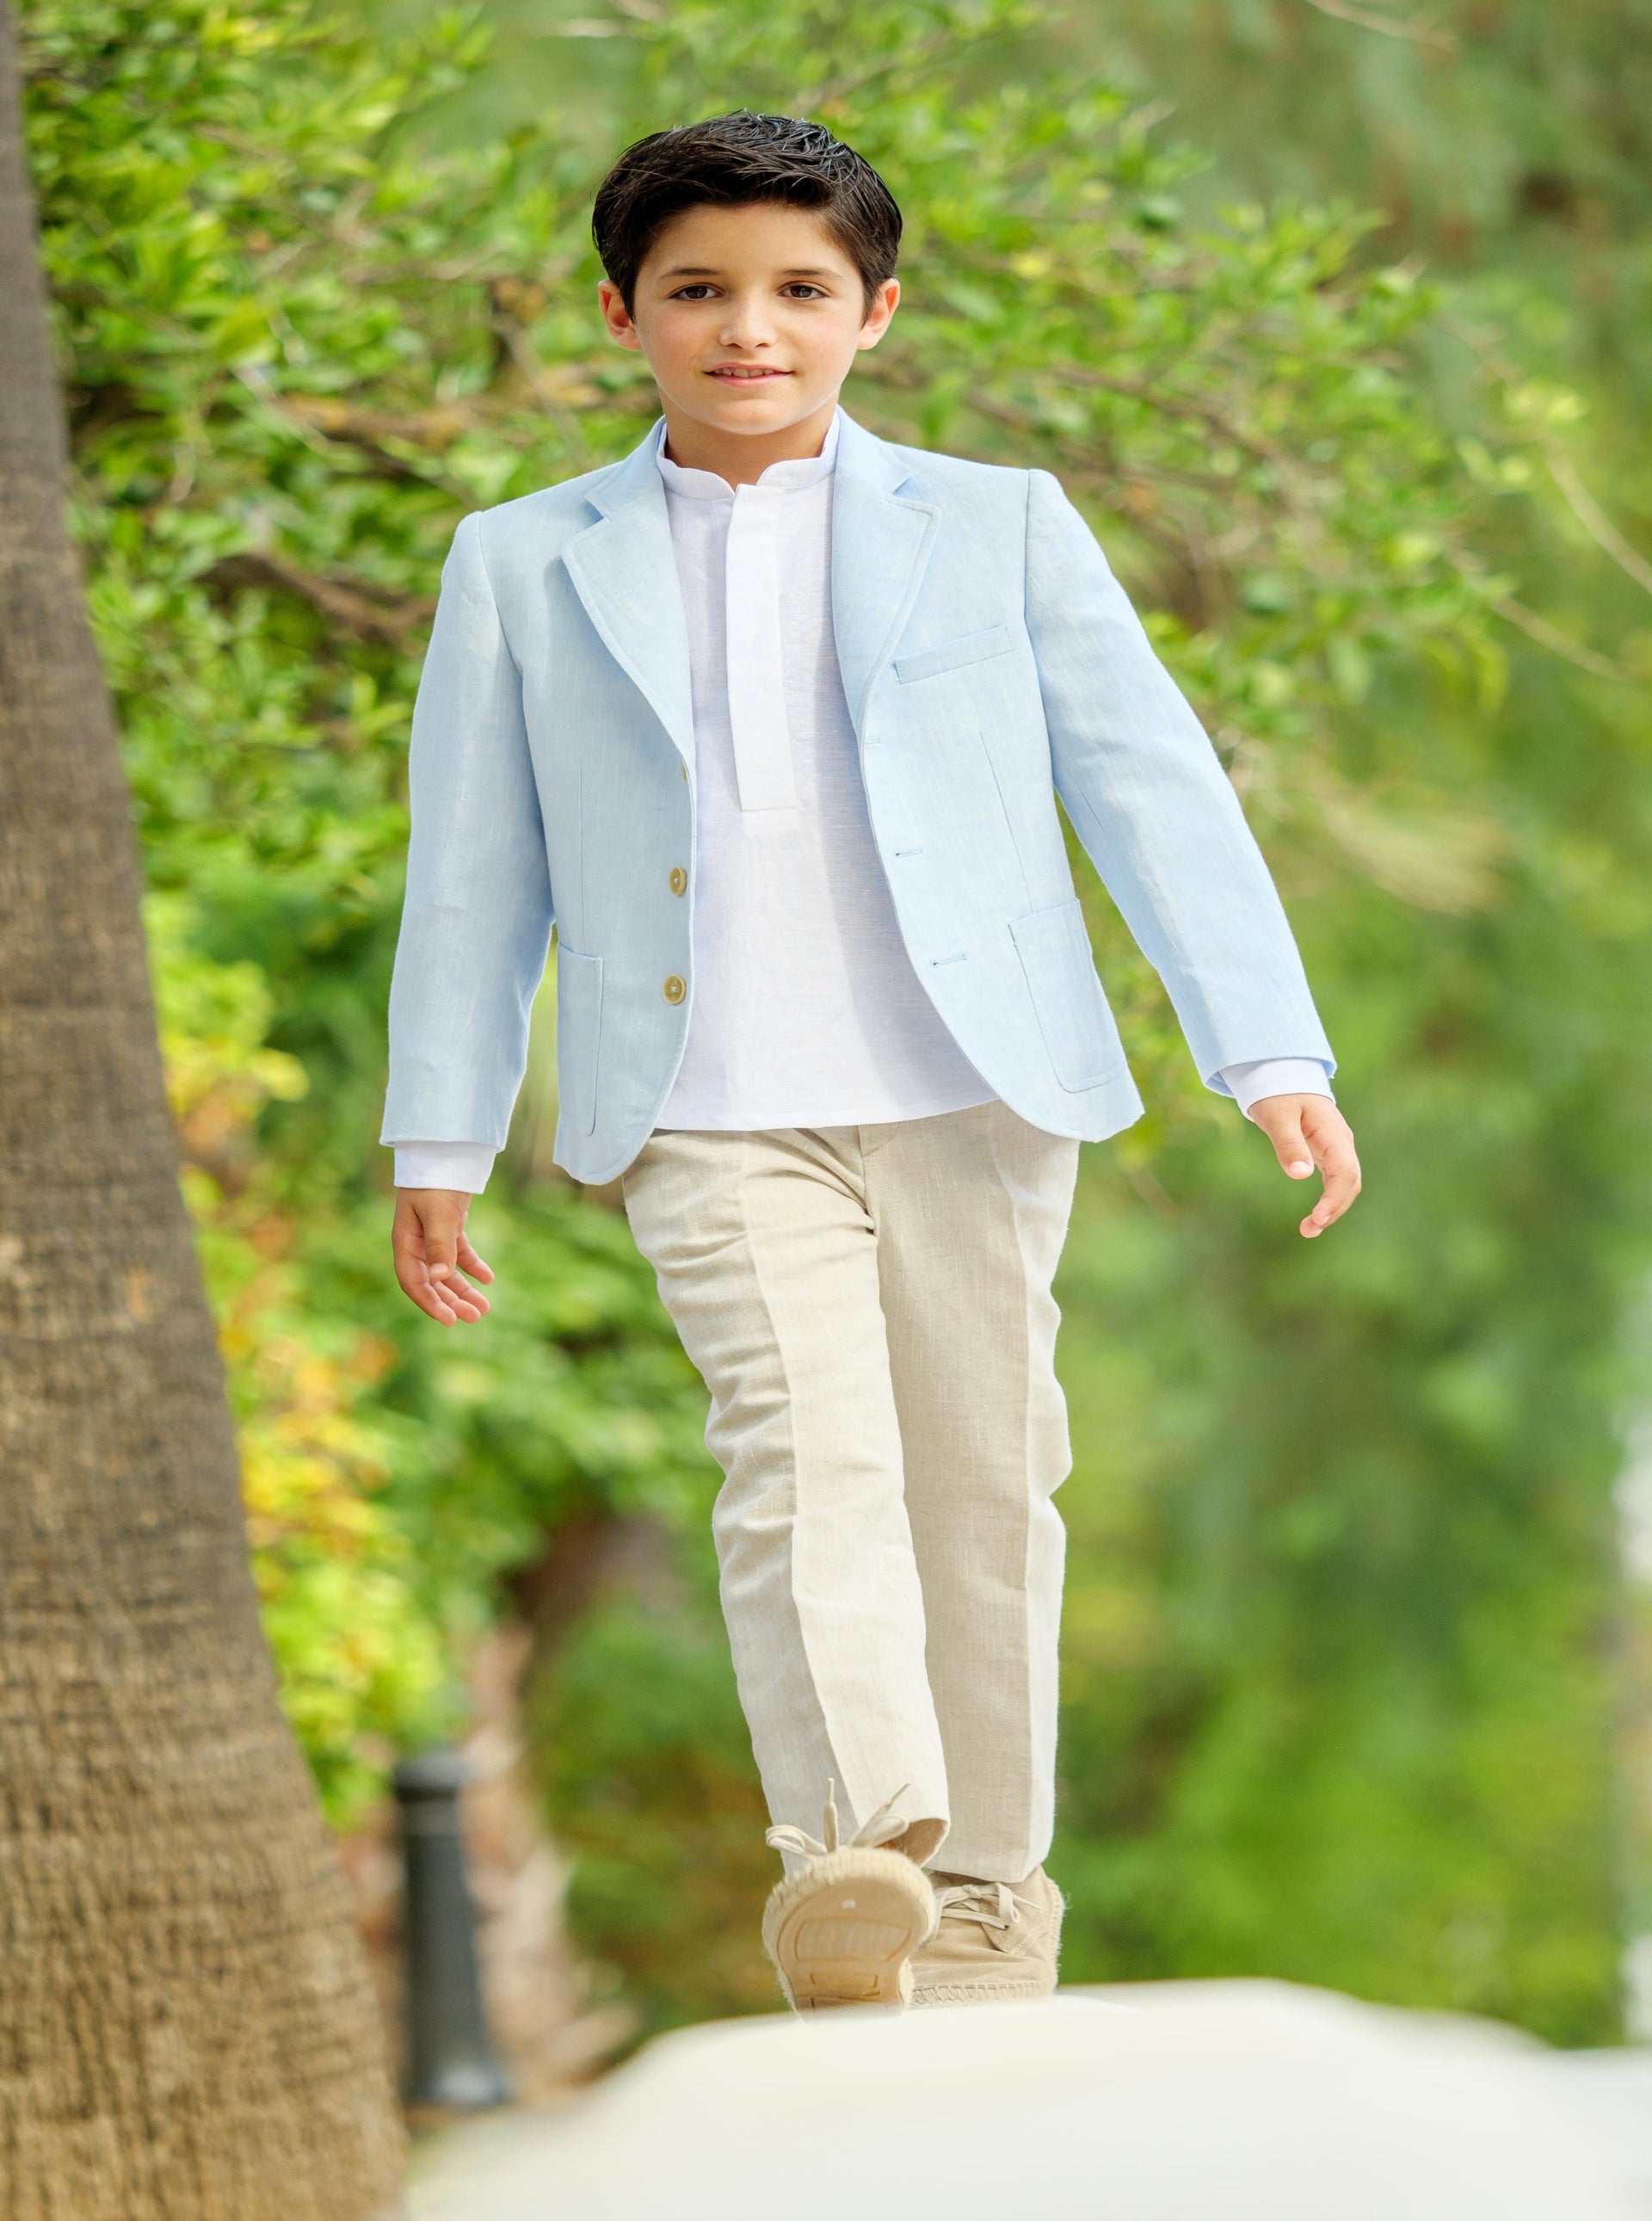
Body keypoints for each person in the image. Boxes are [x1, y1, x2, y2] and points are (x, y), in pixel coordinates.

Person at [381, 111, 1361, 2014]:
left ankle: (992, 1893)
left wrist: (1269, 1048)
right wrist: (439, 1127)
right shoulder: (522, 563)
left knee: (984, 1485)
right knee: (799, 1456)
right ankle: (855, 1850)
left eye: (798, 291)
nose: (750, 326)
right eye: (700, 291)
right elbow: (473, 865)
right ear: (624, 313)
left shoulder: (997, 525)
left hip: (976, 1091)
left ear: (874, 314)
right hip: (705, 1106)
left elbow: (1151, 785)